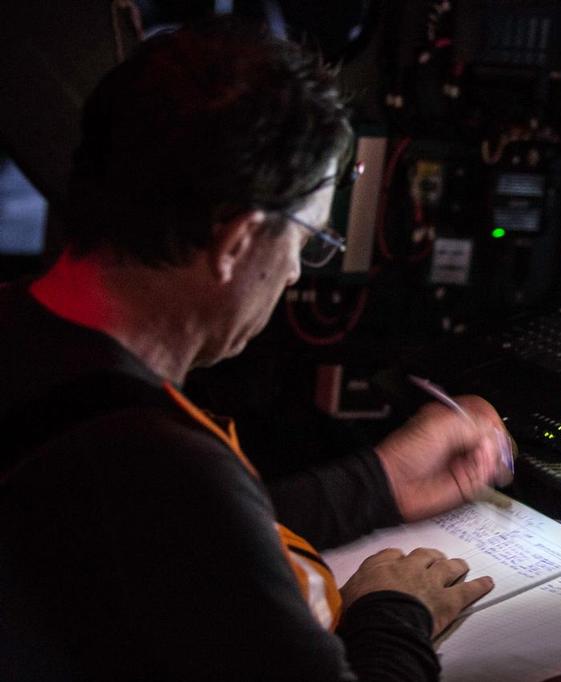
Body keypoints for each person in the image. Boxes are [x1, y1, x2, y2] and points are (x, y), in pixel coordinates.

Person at [0, 17, 511, 681]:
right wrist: (392, 610)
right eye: (305, 243)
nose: (298, 273)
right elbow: (184, 517)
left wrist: (377, 484)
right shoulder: (159, 465)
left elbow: (177, 542)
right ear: (238, 242)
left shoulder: (30, 337)